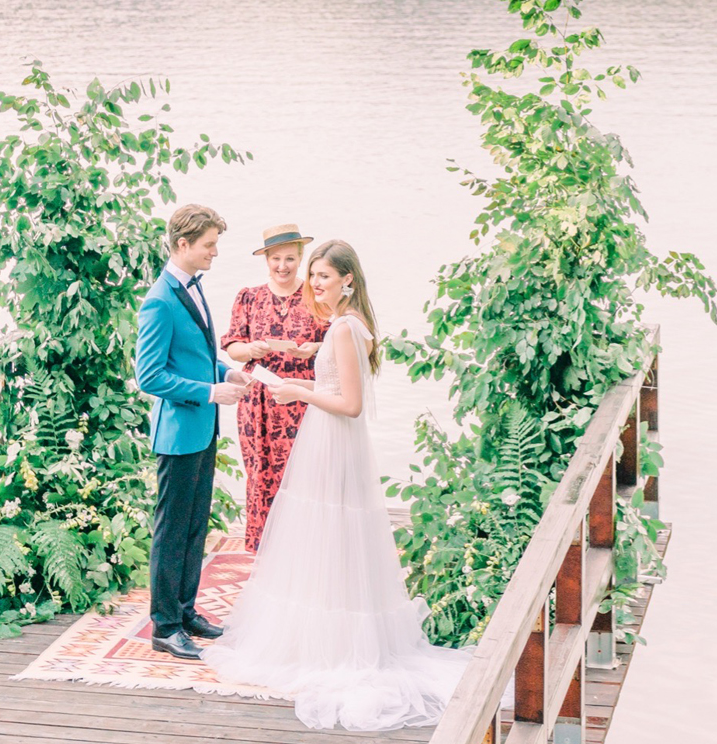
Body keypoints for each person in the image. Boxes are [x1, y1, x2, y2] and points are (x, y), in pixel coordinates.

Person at [207, 240, 472, 730]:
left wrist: (298, 393)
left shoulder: (347, 328)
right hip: (326, 436)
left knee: (329, 531)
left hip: (333, 438)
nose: (314, 284)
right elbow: (333, 390)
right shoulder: (343, 325)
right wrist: (297, 388)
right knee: (324, 535)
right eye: (313, 277)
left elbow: (348, 404)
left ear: (349, 279)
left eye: (324, 276)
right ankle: (322, 633)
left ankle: (333, 646)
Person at [134, 203, 251, 662]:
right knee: (172, 531)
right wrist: (209, 391)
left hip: (202, 428)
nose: (215, 252)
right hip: (179, 431)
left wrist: (228, 371)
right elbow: (150, 377)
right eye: (209, 244)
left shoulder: (194, 288)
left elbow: (198, 353)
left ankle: (185, 611)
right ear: (183, 245)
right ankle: (163, 626)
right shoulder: (159, 300)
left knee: (195, 526)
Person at [219, 223, 325, 551]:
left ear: (301, 258)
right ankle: (264, 549)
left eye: (290, 258)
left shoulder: (316, 294)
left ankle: (303, 546)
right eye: (276, 258)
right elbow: (232, 346)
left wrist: (312, 348)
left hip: (301, 398)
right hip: (258, 401)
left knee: (302, 474)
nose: (283, 266)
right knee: (259, 474)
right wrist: (251, 350)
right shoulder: (249, 296)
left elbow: (337, 341)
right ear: (266, 259)